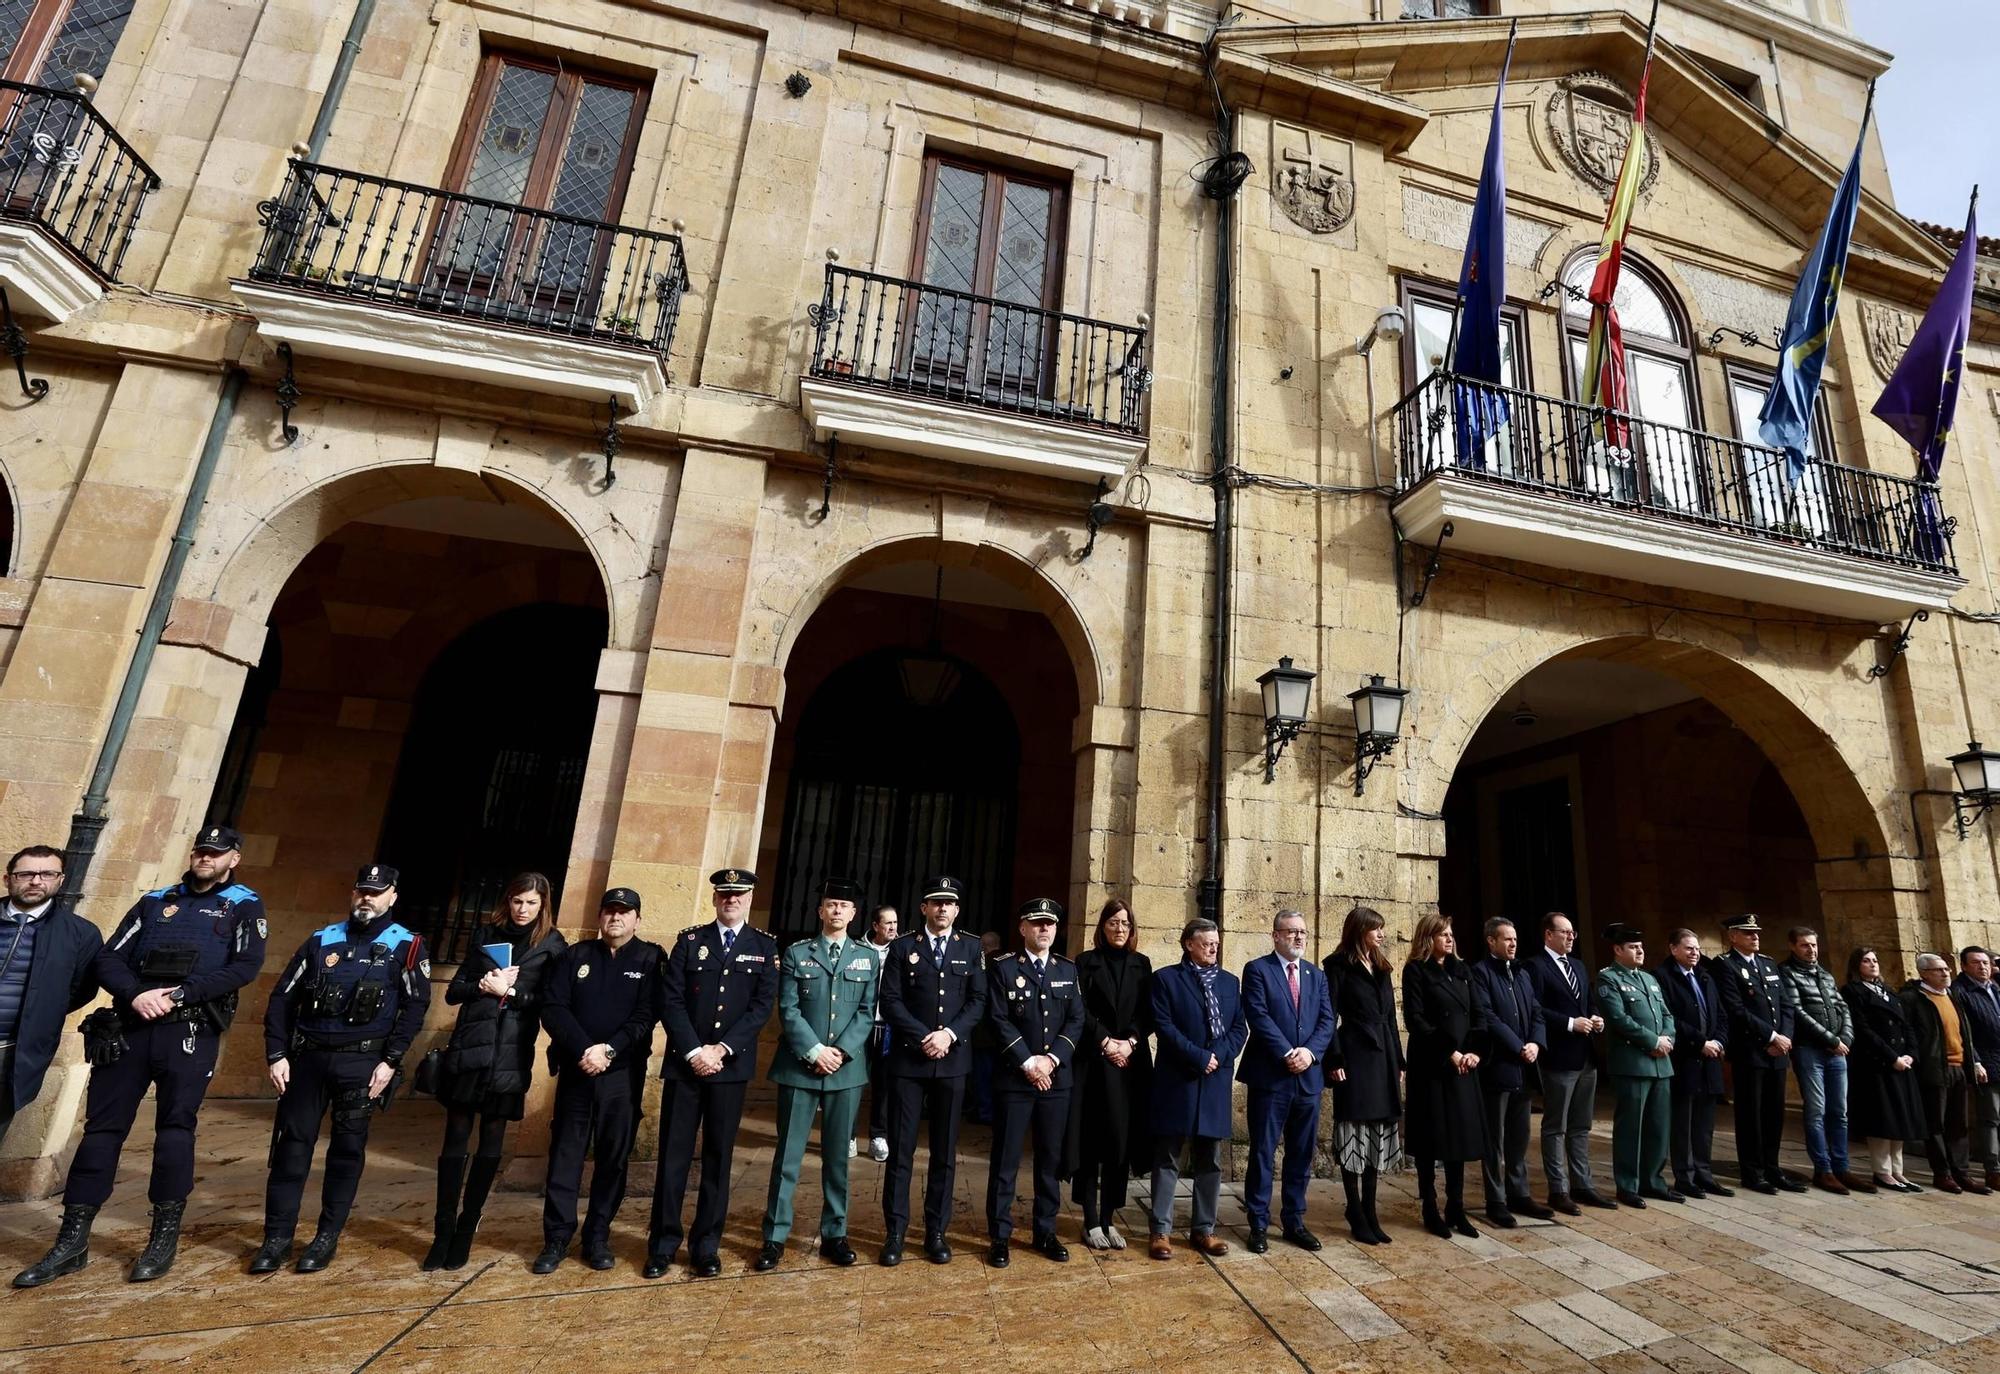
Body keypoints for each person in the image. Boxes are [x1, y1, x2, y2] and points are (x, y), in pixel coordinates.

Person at [13, 827, 263, 1289]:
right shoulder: (155, 900)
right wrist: (136, 995)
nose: (205, 857)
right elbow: (109, 958)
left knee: (174, 1134)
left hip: (188, 1031)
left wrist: (182, 993)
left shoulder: (245, 904)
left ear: (233, 859)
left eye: (216, 853)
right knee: (101, 1132)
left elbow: (245, 966)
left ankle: (160, 1240)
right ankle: (72, 1243)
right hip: (132, 1026)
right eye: (200, 850)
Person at [254, 863, 430, 1273]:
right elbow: (282, 999)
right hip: (309, 1060)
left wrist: (390, 1061)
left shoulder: (406, 944)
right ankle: (276, 1239)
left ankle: (325, 1237)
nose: (366, 898)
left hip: (363, 1062)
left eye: (376, 892)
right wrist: (276, 1053)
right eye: (361, 891)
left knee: (346, 1152)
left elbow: (414, 1007)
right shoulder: (321, 940)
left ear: (392, 897)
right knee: (290, 1152)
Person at [425, 872, 567, 1271]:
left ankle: (468, 1228)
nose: (523, 910)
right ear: (509, 901)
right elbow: (455, 991)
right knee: (455, 1138)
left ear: (543, 906)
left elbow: (548, 1001)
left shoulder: (552, 946)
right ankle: (443, 1230)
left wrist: (513, 993)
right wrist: (484, 987)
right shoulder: (486, 934)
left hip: (509, 1055)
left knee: (491, 1141)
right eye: (518, 901)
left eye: (531, 904)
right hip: (471, 1048)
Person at [647, 867, 779, 1278]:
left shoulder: (764, 946)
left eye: (738, 895)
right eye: (725, 894)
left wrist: (721, 1049)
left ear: (749, 899)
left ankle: (706, 1246)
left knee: (718, 1159)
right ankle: (663, 1245)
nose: (731, 900)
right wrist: (693, 1050)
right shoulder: (690, 942)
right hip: (686, 1067)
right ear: (715, 899)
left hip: (730, 1067)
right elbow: (670, 1000)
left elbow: (761, 1007)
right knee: (673, 1157)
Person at [756, 877, 879, 1272]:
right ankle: (774, 1236)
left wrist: (839, 1052)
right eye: (831, 905)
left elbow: (866, 1011)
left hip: (846, 1071)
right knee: (788, 1157)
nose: (838, 911)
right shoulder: (796, 953)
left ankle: (835, 1233)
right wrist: (814, 1050)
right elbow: (788, 1009)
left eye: (845, 905)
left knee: (837, 1160)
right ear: (820, 911)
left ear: (854, 914)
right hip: (799, 1068)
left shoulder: (867, 956)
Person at [536, 887, 660, 1273]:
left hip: (621, 1075)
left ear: (637, 919)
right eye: (609, 912)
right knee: (565, 1157)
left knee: (613, 1158)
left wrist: (609, 1050)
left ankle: (597, 1236)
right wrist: (585, 1049)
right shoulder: (575, 956)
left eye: (624, 913)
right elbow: (553, 1008)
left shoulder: (651, 958)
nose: (616, 919)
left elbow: (647, 1014)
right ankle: (556, 1238)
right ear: (600, 917)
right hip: (578, 1071)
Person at [877, 876, 984, 1267]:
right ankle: (896, 1233)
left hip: (952, 1062)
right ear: (924, 907)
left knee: (943, 1153)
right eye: (935, 902)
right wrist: (926, 1036)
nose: (942, 909)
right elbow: (889, 1000)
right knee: (901, 1152)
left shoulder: (970, 947)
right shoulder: (904, 946)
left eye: (949, 903)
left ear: (957, 910)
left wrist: (949, 1035)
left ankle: (936, 1232)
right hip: (910, 1060)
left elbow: (978, 1000)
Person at [983, 898, 1083, 1267]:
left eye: (1050, 924)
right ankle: (1000, 1235)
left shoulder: (1067, 970)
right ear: (1023, 928)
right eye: (1037, 923)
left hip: (1056, 1080)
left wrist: (1051, 1060)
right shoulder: (1004, 968)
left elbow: (1076, 1021)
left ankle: (1045, 1230)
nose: (1044, 929)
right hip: (1016, 1079)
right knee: (1006, 1160)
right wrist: (1028, 1061)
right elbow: (997, 1019)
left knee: (1050, 1161)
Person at [1146, 917, 1247, 1260]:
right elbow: (1165, 1027)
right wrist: (1198, 1056)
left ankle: (1203, 1230)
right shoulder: (1166, 980)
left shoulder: (1231, 982)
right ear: (1188, 944)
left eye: (1217, 943)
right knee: (1168, 1158)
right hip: (1180, 1080)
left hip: (1214, 1080)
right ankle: (1160, 1231)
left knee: (1210, 1161)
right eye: (1207, 943)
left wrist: (1216, 1056)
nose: (1213, 949)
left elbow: (1239, 1028)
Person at [1241, 907, 1336, 1253]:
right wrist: (1287, 1052)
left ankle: (1294, 1220)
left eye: (1303, 932)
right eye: (1291, 931)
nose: (1298, 937)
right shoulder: (1257, 970)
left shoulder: (1316, 975)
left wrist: (1309, 1054)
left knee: (1301, 1153)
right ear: (1276, 936)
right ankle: (1258, 1223)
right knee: (1263, 1152)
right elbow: (1258, 1016)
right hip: (1271, 1078)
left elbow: (1327, 1020)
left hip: (1307, 1080)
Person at [0, 846, 101, 1153]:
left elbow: (79, 991)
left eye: (47, 874)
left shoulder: (80, 934)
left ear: (60, 880)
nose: (35, 881)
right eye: (26, 874)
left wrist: (38, 1011)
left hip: (11, 1052)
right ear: (8, 879)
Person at [1071, 897, 1151, 1251]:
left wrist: (1129, 1042)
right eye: (1113, 922)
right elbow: (1080, 1009)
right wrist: (1105, 1041)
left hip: (1129, 1064)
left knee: (1120, 1142)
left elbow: (1148, 1011)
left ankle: (1109, 1217)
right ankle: (1090, 1220)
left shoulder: (1141, 964)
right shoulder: (1085, 962)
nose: (1120, 929)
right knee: (1091, 1141)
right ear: (1102, 926)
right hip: (1094, 1061)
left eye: (1125, 923)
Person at [1403, 913, 1486, 1239]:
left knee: (1460, 1139)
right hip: (1433, 1066)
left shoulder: (1463, 971)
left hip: (1464, 1067)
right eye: (1443, 934)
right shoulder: (1416, 971)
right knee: (1431, 1139)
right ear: (1428, 938)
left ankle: (1456, 1207)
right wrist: (1449, 1052)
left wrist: (1473, 1052)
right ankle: (1429, 1207)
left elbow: (1479, 1015)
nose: (1450, 939)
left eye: (1451, 934)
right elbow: (1416, 1019)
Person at [1323, 905, 1401, 1246]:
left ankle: (1370, 1210)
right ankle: (1354, 1209)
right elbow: (1329, 1016)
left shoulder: (1382, 967)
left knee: (1378, 1135)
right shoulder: (1337, 966)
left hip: (1382, 1059)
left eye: (1382, 929)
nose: (1381, 934)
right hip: (1353, 1057)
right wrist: (1334, 1057)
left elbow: (1391, 1020)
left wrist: (1399, 1062)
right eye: (1375, 929)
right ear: (1359, 931)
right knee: (1354, 1133)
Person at [1523, 910, 1611, 1213]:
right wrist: (1570, 1023)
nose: (1571, 937)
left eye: (1573, 932)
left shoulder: (1577, 965)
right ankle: (1558, 1189)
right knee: (1555, 1126)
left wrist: (1595, 1018)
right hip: (1558, 1057)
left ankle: (1582, 1185)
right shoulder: (1535, 967)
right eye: (1565, 932)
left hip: (1586, 1057)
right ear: (1549, 934)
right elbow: (1535, 1009)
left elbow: (1587, 1002)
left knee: (1580, 1125)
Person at [1468, 917, 1549, 1228]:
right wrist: (1518, 1046)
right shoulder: (1480, 973)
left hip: (1525, 1067)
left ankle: (1520, 1193)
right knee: (1495, 1139)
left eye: (1515, 939)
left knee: (1520, 1137)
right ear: (1491, 941)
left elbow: (1537, 1012)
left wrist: (1536, 1044)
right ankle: (1496, 1199)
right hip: (1499, 1067)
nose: (1513, 944)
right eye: (1506, 939)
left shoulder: (1523, 973)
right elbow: (1487, 1016)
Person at [1714, 913, 1802, 1194]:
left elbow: (1786, 1005)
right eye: (1747, 932)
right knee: (1750, 1114)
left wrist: (1784, 1037)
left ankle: (1772, 1168)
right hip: (1751, 1051)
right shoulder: (1725, 965)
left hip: (1777, 1052)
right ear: (1732, 936)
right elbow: (1736, 1009)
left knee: (1774, 1113)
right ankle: (1752, 1171)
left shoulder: (1767, 963)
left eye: (1756, 932)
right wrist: (1771, 1036)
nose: (1755, 936)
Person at [1595, 924, 1678, 1207]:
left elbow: (1667, 1014)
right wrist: (1653, 1041)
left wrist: (1667, 1039)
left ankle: (1653, 1181)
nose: (1640, 950)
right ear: (1618, 950)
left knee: (1658, 1126)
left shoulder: (1650, 979)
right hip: (1633, 1064)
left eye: (1640, 946)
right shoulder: (1608, 980)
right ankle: (1627, 1185)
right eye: (1632, 947)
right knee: (1631, 1128)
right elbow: (1618, 1020)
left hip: (1661, 1064)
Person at [1780, 926, 1863, 1194]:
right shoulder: (1788, 973)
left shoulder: (1825, 974)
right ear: (1793, 946)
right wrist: (1831, 1039)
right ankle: (1823, 1169)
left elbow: (1842, 1008)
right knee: (1816, 1111)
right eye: (1805, 945)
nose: (1811, 950)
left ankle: (1842, 1166)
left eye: (1814, 945)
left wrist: (1846, 1038)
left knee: (1839, 1112)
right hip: (1810, 1050)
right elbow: (1797, 1011)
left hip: (1836, 1051)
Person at [1901, 952, 1989, 1195]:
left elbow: (1964, 1033)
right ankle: (1943, 1173)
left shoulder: (1951, 995)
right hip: (1934, 1069)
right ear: (1924, 973)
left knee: (1959, 1124)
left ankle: (1962, 1173)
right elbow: (1910, 1035)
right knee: (1936, 1124)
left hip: (1960, 1067)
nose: (1946, 973)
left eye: (1946, 969)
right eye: (1939, 970)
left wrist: (1974, 1062)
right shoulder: (1913, 999)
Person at [1841, 947, 1926, 1193]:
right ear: (1857, 966)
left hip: (1902, 1063)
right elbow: (1864, 1030)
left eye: (1875, 960)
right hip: (1877, 1065)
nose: (1872, 964)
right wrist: (1892, 1058)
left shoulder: (1889, 991)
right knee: (1883, 1120)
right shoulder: (1852, 992)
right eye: (1866, 961)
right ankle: (1882, 1172)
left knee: (1900, 1119)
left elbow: (1906, 1025)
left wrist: (1911, 1053)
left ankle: (1898, 1171)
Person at [1656, 929, 1731, 1198]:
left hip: (1710, 1059)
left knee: (1704, 1123)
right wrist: (1701, 1042)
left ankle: (1704, 1173)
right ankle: (1685, 1176)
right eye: (1688, 948)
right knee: (1683, 1123)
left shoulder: (1706, 975)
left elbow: (1721, 1014)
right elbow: (1671, 1018)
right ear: (1673, 949)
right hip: (1685, 1059)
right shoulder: (1663, 977)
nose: (1695, 953)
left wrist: (1719, 1042)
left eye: (1697, 948)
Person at [1952, 946, 2000, 1191]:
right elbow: (1965, 1033)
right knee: (1990, 1118)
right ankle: (1994, 1170)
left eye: (1986, 963)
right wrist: (1977, 1062)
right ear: (1964, 966)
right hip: (1987, 1064)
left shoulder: (1994, 988)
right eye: (1976, 963)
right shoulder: (1960, 992)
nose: (1983, 967)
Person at [857, 904, 898, 1162]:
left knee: (884, 1085)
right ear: (875, 926)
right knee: (855, 1083)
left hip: (888, 1028)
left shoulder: (902, 950)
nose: (893, 928)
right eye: (888, 923)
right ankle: (848, 1135)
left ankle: (878, 1136)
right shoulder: (858, 949)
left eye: (895, 923)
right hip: (861, 1026)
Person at [967, 928, 1005, 1126]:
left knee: (982, 1074)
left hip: (983, 1032)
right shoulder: (1008, 962)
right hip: (1002, 1035)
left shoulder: (986, 964)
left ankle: (984, 1111)